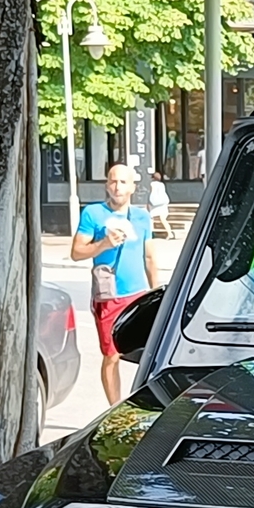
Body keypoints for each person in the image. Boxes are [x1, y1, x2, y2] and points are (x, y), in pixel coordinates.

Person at [73, 160, 162, 403]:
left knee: (148, 352)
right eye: (113, 181)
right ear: (107, 185)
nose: (117, 186)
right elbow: (76, 252)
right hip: (109, 295)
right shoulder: (93, 213)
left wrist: (158, 294)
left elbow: (150, 257)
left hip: (139, 295)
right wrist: (103, 244)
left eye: (123, 182)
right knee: (112, 356)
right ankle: (113, 409)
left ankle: (146, 404)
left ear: (133, 187)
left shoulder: (142, 217)